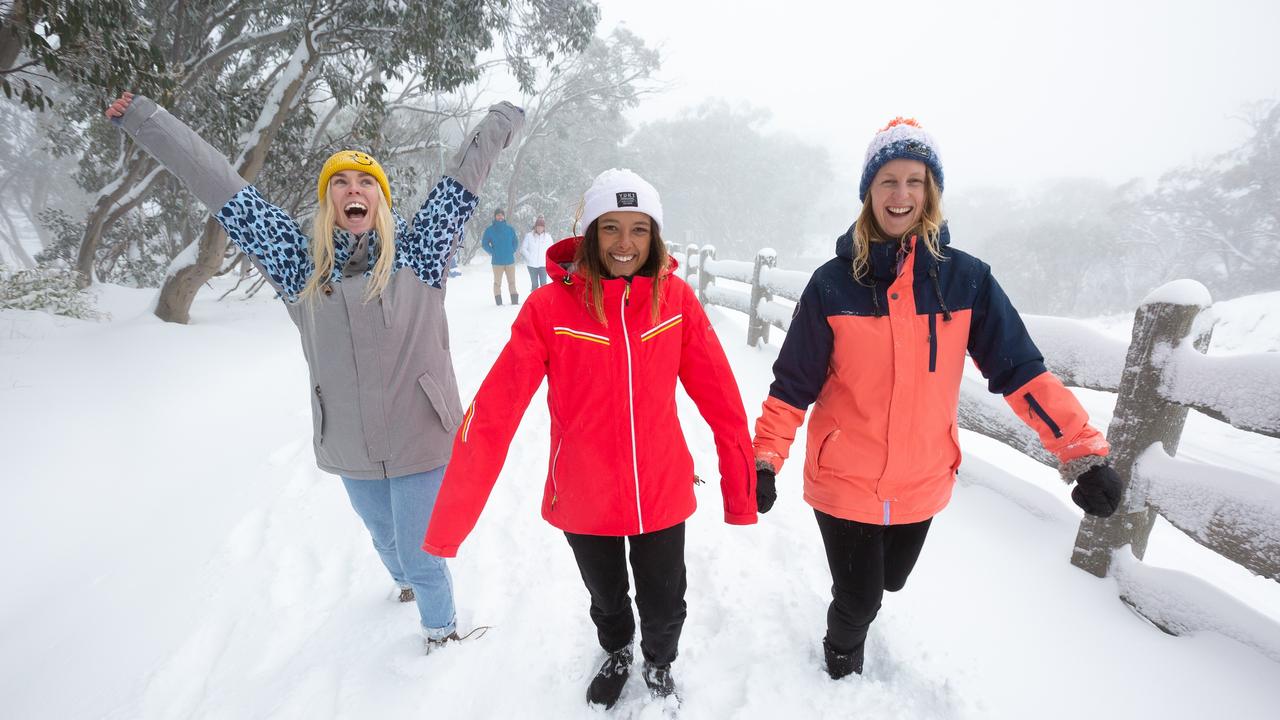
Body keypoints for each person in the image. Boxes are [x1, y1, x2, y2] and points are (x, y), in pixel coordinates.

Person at [105, 91, 524, 653]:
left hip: (421, 433)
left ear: (380, 199)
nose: (355, 190)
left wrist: (502, 120)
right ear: (329, 202)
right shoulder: (297, 265)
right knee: (385, 538)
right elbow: (220, 186)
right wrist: (145, 119)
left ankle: (441, 634)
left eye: (366, 182)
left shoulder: (420, 254)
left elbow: (464, 175)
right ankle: (401, 581)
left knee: (423, 552)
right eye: (341, 183)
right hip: (349, 441)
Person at [750, 118, 1122, 679]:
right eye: (888, 182)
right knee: (860, 599)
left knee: (891, 579)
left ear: (931, 193)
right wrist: (765, 457)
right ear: (867, 193)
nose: (901, 195)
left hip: (922, 475)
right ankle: (841, 660)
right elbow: (793, 383)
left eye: (914, 182)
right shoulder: (832, 285)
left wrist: (1081, 451)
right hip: (844, 475)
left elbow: (1020, 369)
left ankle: (859, 610)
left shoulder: (965, 281)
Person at [422, 169, 757, 708]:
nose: (625, 244)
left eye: (639, 230)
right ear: (591, 232)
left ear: (655, 237)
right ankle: (619, 649)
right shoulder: (549, 310)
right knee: (606, 596)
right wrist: (448, 525)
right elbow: (492, 415)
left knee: (667, 601)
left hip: (660, 488)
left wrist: (741, 487)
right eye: (612, 228)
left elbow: (721, 398)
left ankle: (660, 661)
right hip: (584, 493)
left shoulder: (674, 301)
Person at [481, 208, 520, 305]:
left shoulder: (510, 229)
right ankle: (498, 303)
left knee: (512, 282)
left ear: (504, 216)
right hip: (497, 262)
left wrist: (512, 250)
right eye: (498, 215)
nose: (500, 217)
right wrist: (493, 252)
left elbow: (515, 241)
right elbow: (485, 244)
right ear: (495, 217)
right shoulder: (490, 230)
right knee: (497, 283)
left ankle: (514, 302)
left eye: (501, 215)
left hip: (509, 261)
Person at [519, 215, 554, 290]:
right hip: (531, 265)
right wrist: (529, 257)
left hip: (543, 265)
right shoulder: (529, 236)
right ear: (535, 227)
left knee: (543, 284)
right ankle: (534, 300)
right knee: (535, 285)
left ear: (544, 228)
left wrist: (548, 260)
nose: (539, 228)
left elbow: (552, 250)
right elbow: (523, 249)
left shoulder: (548, 237)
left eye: (541, 227)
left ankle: (543, 301)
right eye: (538, 226)